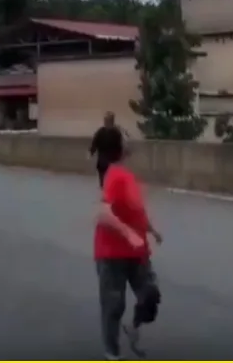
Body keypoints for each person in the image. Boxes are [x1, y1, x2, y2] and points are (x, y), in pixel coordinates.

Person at [94, 138, 163, 360]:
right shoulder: (113, 175)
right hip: (112, 253)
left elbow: (137, 211)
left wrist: (151, 230)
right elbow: (103, 214)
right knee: (114, 305)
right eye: (124, 139)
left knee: (150, 294)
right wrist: (128, 233)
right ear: (120, 150)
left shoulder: (128, 176)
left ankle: (133, 328)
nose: (129, 141)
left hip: (137, 252)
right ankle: (111, 352)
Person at [88, 112, 124, 188]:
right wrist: (91, 151)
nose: (106, 122)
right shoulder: (101, 132)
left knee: (110, 177)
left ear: (112, 121)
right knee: (102, 175)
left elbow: (119, 146)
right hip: (103, 158)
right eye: (106, 120)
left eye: (108, 120)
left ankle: (108, 188)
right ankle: (104, 187)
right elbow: (95, 142)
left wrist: (119, 156)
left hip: (112, 158)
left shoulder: (116, 133)